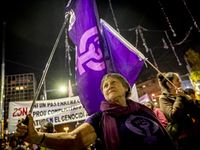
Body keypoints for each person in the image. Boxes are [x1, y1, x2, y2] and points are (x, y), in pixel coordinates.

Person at [15, 73, 176, 150]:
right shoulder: (100, 119)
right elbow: (73, 139)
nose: (109, 86)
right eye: (105, 86)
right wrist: (36, 137)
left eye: (114, 82)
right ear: (104, 94)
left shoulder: (145, 110)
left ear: (126, 87)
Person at [157, 72, 200, 149]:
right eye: (177, 80)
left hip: (196, 131)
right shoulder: (164, 98)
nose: (180, 83)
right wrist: (179, 98)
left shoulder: (183, 94)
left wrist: (189, 100)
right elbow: (174, 116)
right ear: (169, 84)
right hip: (182, 136)